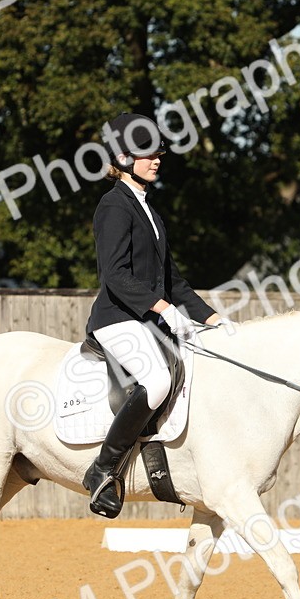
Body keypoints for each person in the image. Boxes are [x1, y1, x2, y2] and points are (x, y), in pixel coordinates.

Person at [81, 112, 224, 518]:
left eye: (159, 153)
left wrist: (212, 320)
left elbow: (173, 280)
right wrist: (161, 307)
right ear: (124, 158)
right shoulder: (113, 206)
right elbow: (115, 274)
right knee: (158, 380)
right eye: (147, 154)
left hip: (146, 319)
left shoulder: (150, 211)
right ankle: (104, 470)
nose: (156, 159)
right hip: (116, 318)